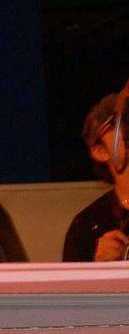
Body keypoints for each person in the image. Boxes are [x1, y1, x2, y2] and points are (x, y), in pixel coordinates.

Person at [62, 84, 129, 262]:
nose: (125, 127)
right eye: (114, 123)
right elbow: (73, 280)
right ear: (99, 151)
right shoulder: (87, 226)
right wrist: (99, 265)